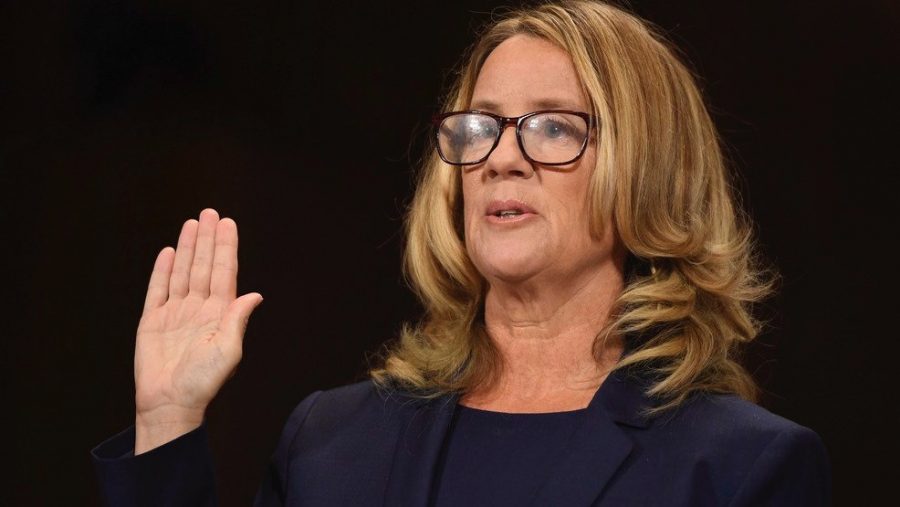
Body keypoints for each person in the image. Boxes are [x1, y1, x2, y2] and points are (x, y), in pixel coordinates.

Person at [92, 1, 831, 505]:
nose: (501, 158)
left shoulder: (740, 465)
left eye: (551, 127)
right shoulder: (331, 440)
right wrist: (167, 421)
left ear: (649, 167)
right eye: (480, 126)